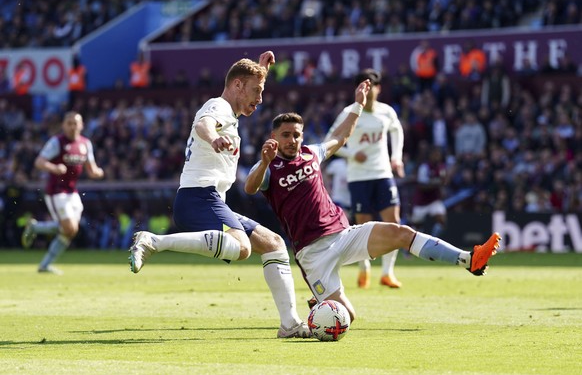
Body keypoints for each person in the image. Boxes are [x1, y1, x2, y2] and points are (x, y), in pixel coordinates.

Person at [244, 80, 501, 322]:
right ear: (274, 136)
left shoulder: (312, 153)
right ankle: (319, 303)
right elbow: (250, 187)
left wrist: (357, 104)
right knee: (346, 318)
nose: (292, 140)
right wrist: (265, 161)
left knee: (401, 233)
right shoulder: (268, 165)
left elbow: (342, 136)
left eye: (296, 135)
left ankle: (469, 259)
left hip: (343, 235)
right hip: (312, 253)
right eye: (286, 135)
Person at [128, 51, 311, 339]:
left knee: (273, 243)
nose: (260, 99)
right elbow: (203, 124)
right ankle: (153, 241)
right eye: (255, 92)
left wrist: (261, 70)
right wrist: (214, 138)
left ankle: (289, 324)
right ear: (237, 85)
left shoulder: (232, 108)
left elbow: (248, 80)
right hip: (198, 197)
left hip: (210, 199)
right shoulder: (218, 106)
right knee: (242, 248)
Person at [326, 69, 404, 289]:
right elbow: (330, 140)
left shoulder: (386, 112)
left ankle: (388, 272)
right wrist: (352, 154)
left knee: (393, 222)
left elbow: (397, 132)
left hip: (382, 173)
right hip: (359, 177)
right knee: (364, 226)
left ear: (378, 88)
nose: (368, 91)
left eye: (372, 86)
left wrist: (396, 157)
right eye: (363, 86)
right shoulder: (349, 113)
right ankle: (364, 268)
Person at [21, 111, 104, 274]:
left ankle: (43, 259)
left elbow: (91, 168)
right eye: (69, 123)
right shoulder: (57, 142)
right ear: (63, 125)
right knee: (69, 227)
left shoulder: (85, 144)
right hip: (56, 191)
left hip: (72, 192)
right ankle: (36, 231)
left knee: (71, 231)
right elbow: (39, 162)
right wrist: (54, 167)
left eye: (76, 123)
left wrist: (97, 173)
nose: (73, 126)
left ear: (81, 125)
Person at [410, 146, 447, 237]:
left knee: (441, 220)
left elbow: (443, 181)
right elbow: (422, 186)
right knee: (416, 226)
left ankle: (435, 241)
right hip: (421, 201)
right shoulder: (424, 167)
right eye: (435, 154)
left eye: (438, 155)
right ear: (430, 155)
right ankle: (409, 246)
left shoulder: (441, 167)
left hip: (434, 200)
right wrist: (435, 183)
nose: (437, 157)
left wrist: (442, 185)